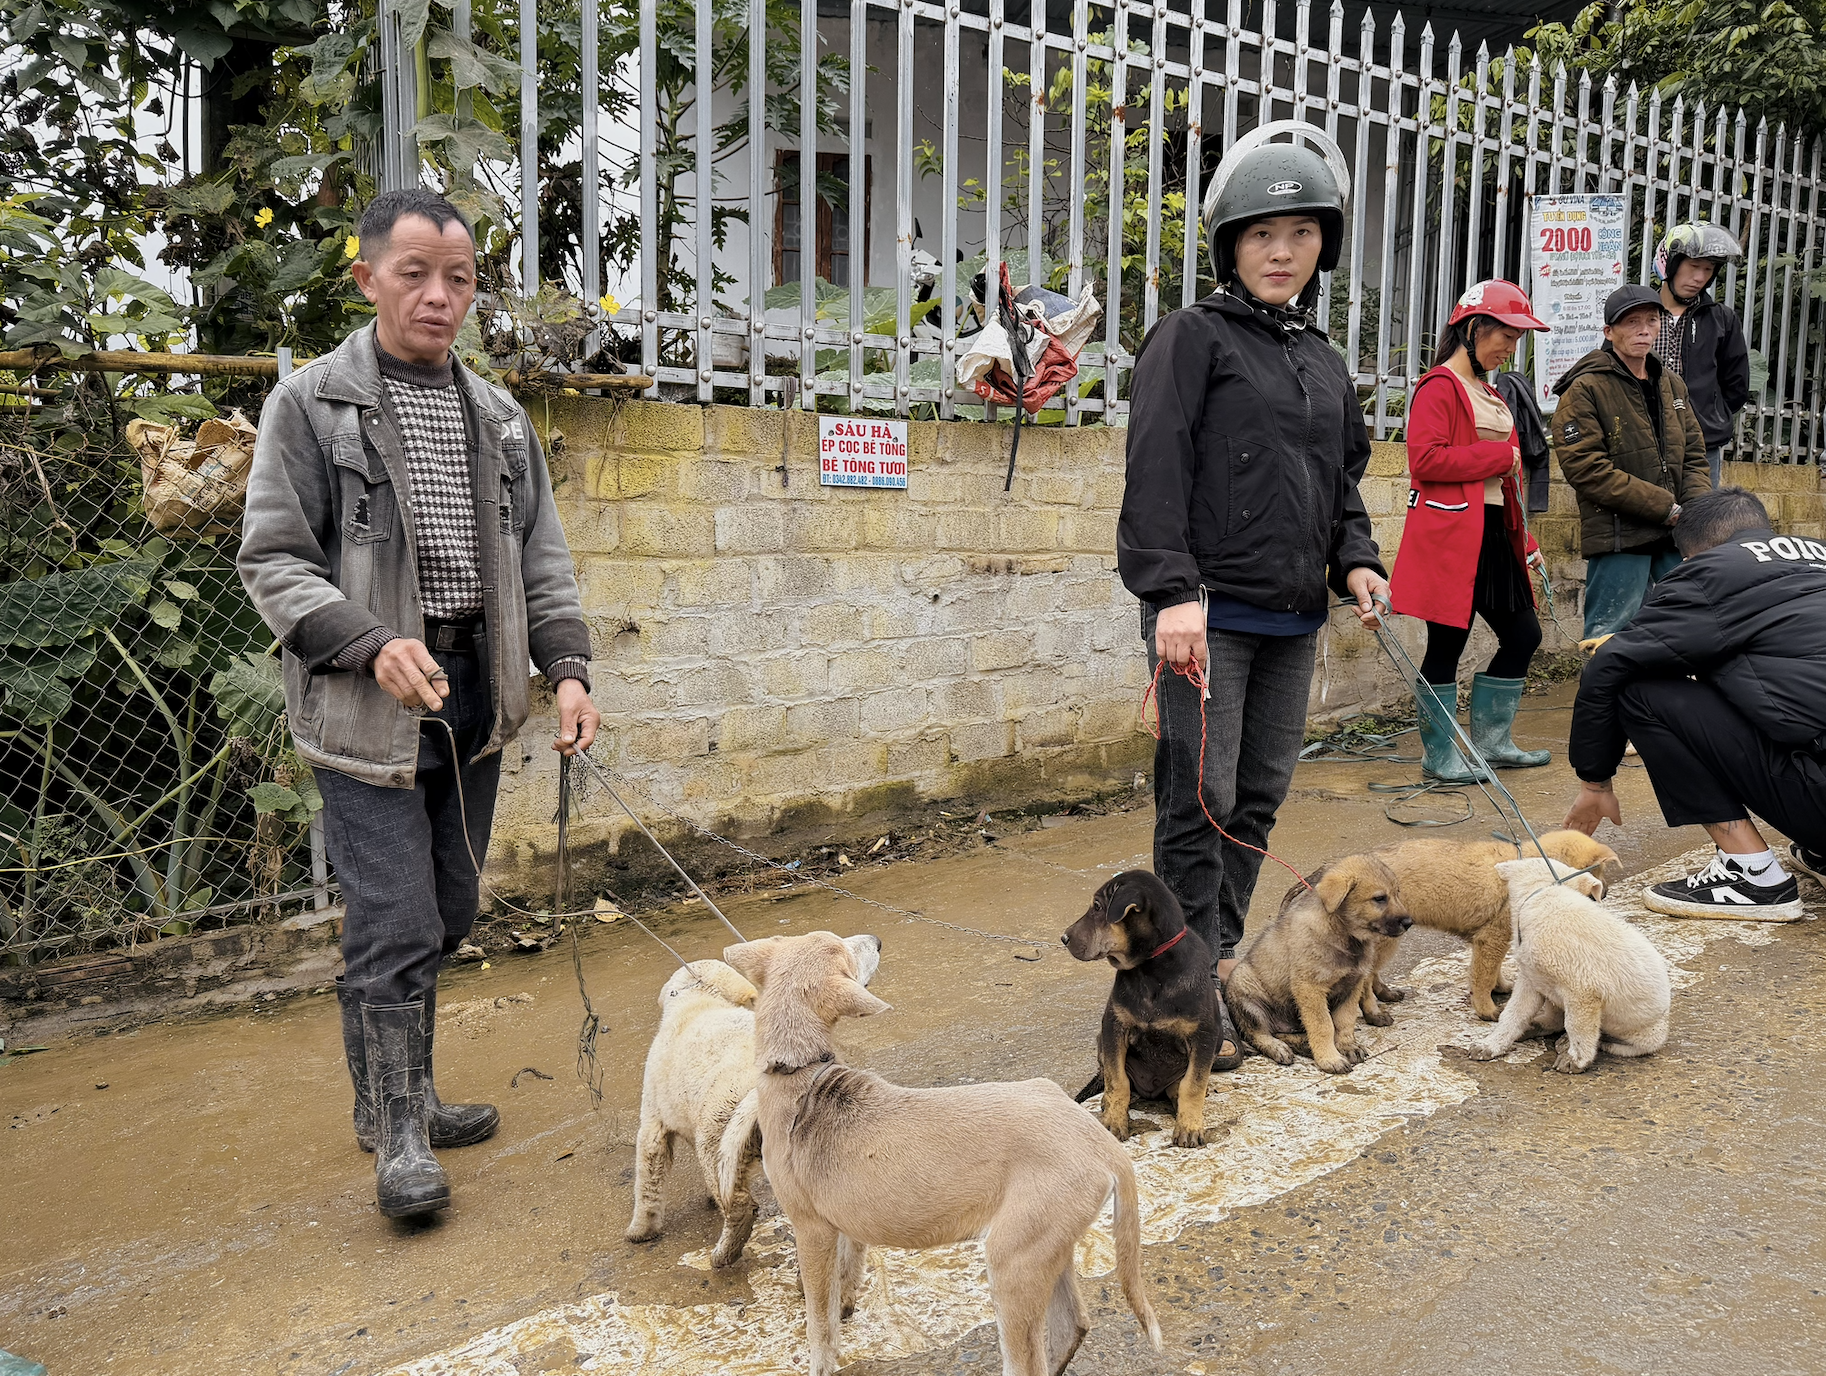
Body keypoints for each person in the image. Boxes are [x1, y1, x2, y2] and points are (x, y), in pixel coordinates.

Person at [238, 189, 600, 1219]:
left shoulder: (500, 418)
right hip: (367, 706)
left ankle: (403, 1096)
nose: (440, 296)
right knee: (394, 918)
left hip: (474, 699)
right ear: (367, 279)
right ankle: (399, 1136)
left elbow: (542, 562)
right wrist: (368, 641)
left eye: (459, 279)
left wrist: (567, 669)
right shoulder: (311, 404)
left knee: (448, 908)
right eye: (415, 275)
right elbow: (273, 557)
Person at [1117, 132, 1389, 1063]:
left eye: (1302, 233)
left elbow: (1339, 482)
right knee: (1202, 799)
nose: (1282, 251)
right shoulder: (1190, 337)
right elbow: (1156, 467)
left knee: (1259, 796)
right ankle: (1180, 985)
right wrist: (1171, 593)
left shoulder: (1321, 360)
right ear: (1231, 245)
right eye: (1262, 233)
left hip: (1293, 615)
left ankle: (1222, 960)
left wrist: (1356, 560)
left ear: (1323, 247)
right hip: (1208, 613)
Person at [1563, 487, 1826, 920]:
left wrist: (1595, 783)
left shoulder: (1708, 572)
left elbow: (1609, 664)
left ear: (1689, 555)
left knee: (1642, 689)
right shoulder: (1815, 555)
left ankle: (1752, 875)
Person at [1389, 279, 1551, 782]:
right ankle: (1439, 757)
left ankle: (1491, 743)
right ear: (1473, 327)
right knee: (1447, 645)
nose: (1511, 347)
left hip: (1496, 533)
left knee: (1523, 636)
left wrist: (1526, 542)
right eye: (1506, 335)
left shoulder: (1490, 391)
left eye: (1517, 338)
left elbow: (1509, 481)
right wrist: (1497, 455)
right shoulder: (1439, 386)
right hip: (1454, 536)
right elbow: (1426, 460)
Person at [1554, 283, 1710, 640]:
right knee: (1611, 636)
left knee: (1688, 628)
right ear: (1609, 332)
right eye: (1631, 322)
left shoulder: (1672, 384)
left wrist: (1695, 513)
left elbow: (1694, 455)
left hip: (1676, 534)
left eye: (1651, 321)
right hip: (1620, 535)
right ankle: (1602, 681)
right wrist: (1664, 507)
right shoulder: (1585, 388)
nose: (1643, 330)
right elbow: (1586, 468)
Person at [1653, 223, 1751, 488]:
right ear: (1670, 263)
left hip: (1701, 446)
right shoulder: (1639, 313)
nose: (1700, 277)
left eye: (1708, 269)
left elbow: (1736, 385)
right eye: (1694, 266)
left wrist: (1710, 415)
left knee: (1702, 511)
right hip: (1644, 442)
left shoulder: (1722, 320)